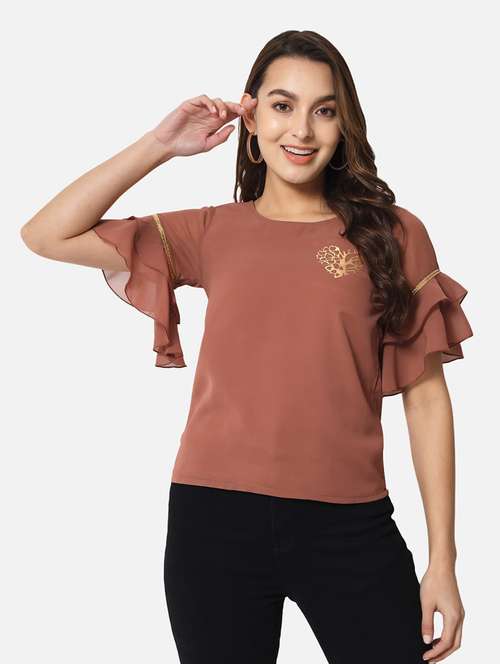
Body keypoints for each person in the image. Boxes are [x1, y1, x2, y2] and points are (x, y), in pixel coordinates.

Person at [20, 29, 472, 664]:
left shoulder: (392, 235)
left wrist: (442, 561)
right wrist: (160, 146)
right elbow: (46, 234)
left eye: (324, 110)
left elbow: (426, 402)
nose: (302, 130)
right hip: (214, 521)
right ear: (251, 117)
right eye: (283, 106)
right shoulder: (212, 231)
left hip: (350, 523)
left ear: (343, 125)